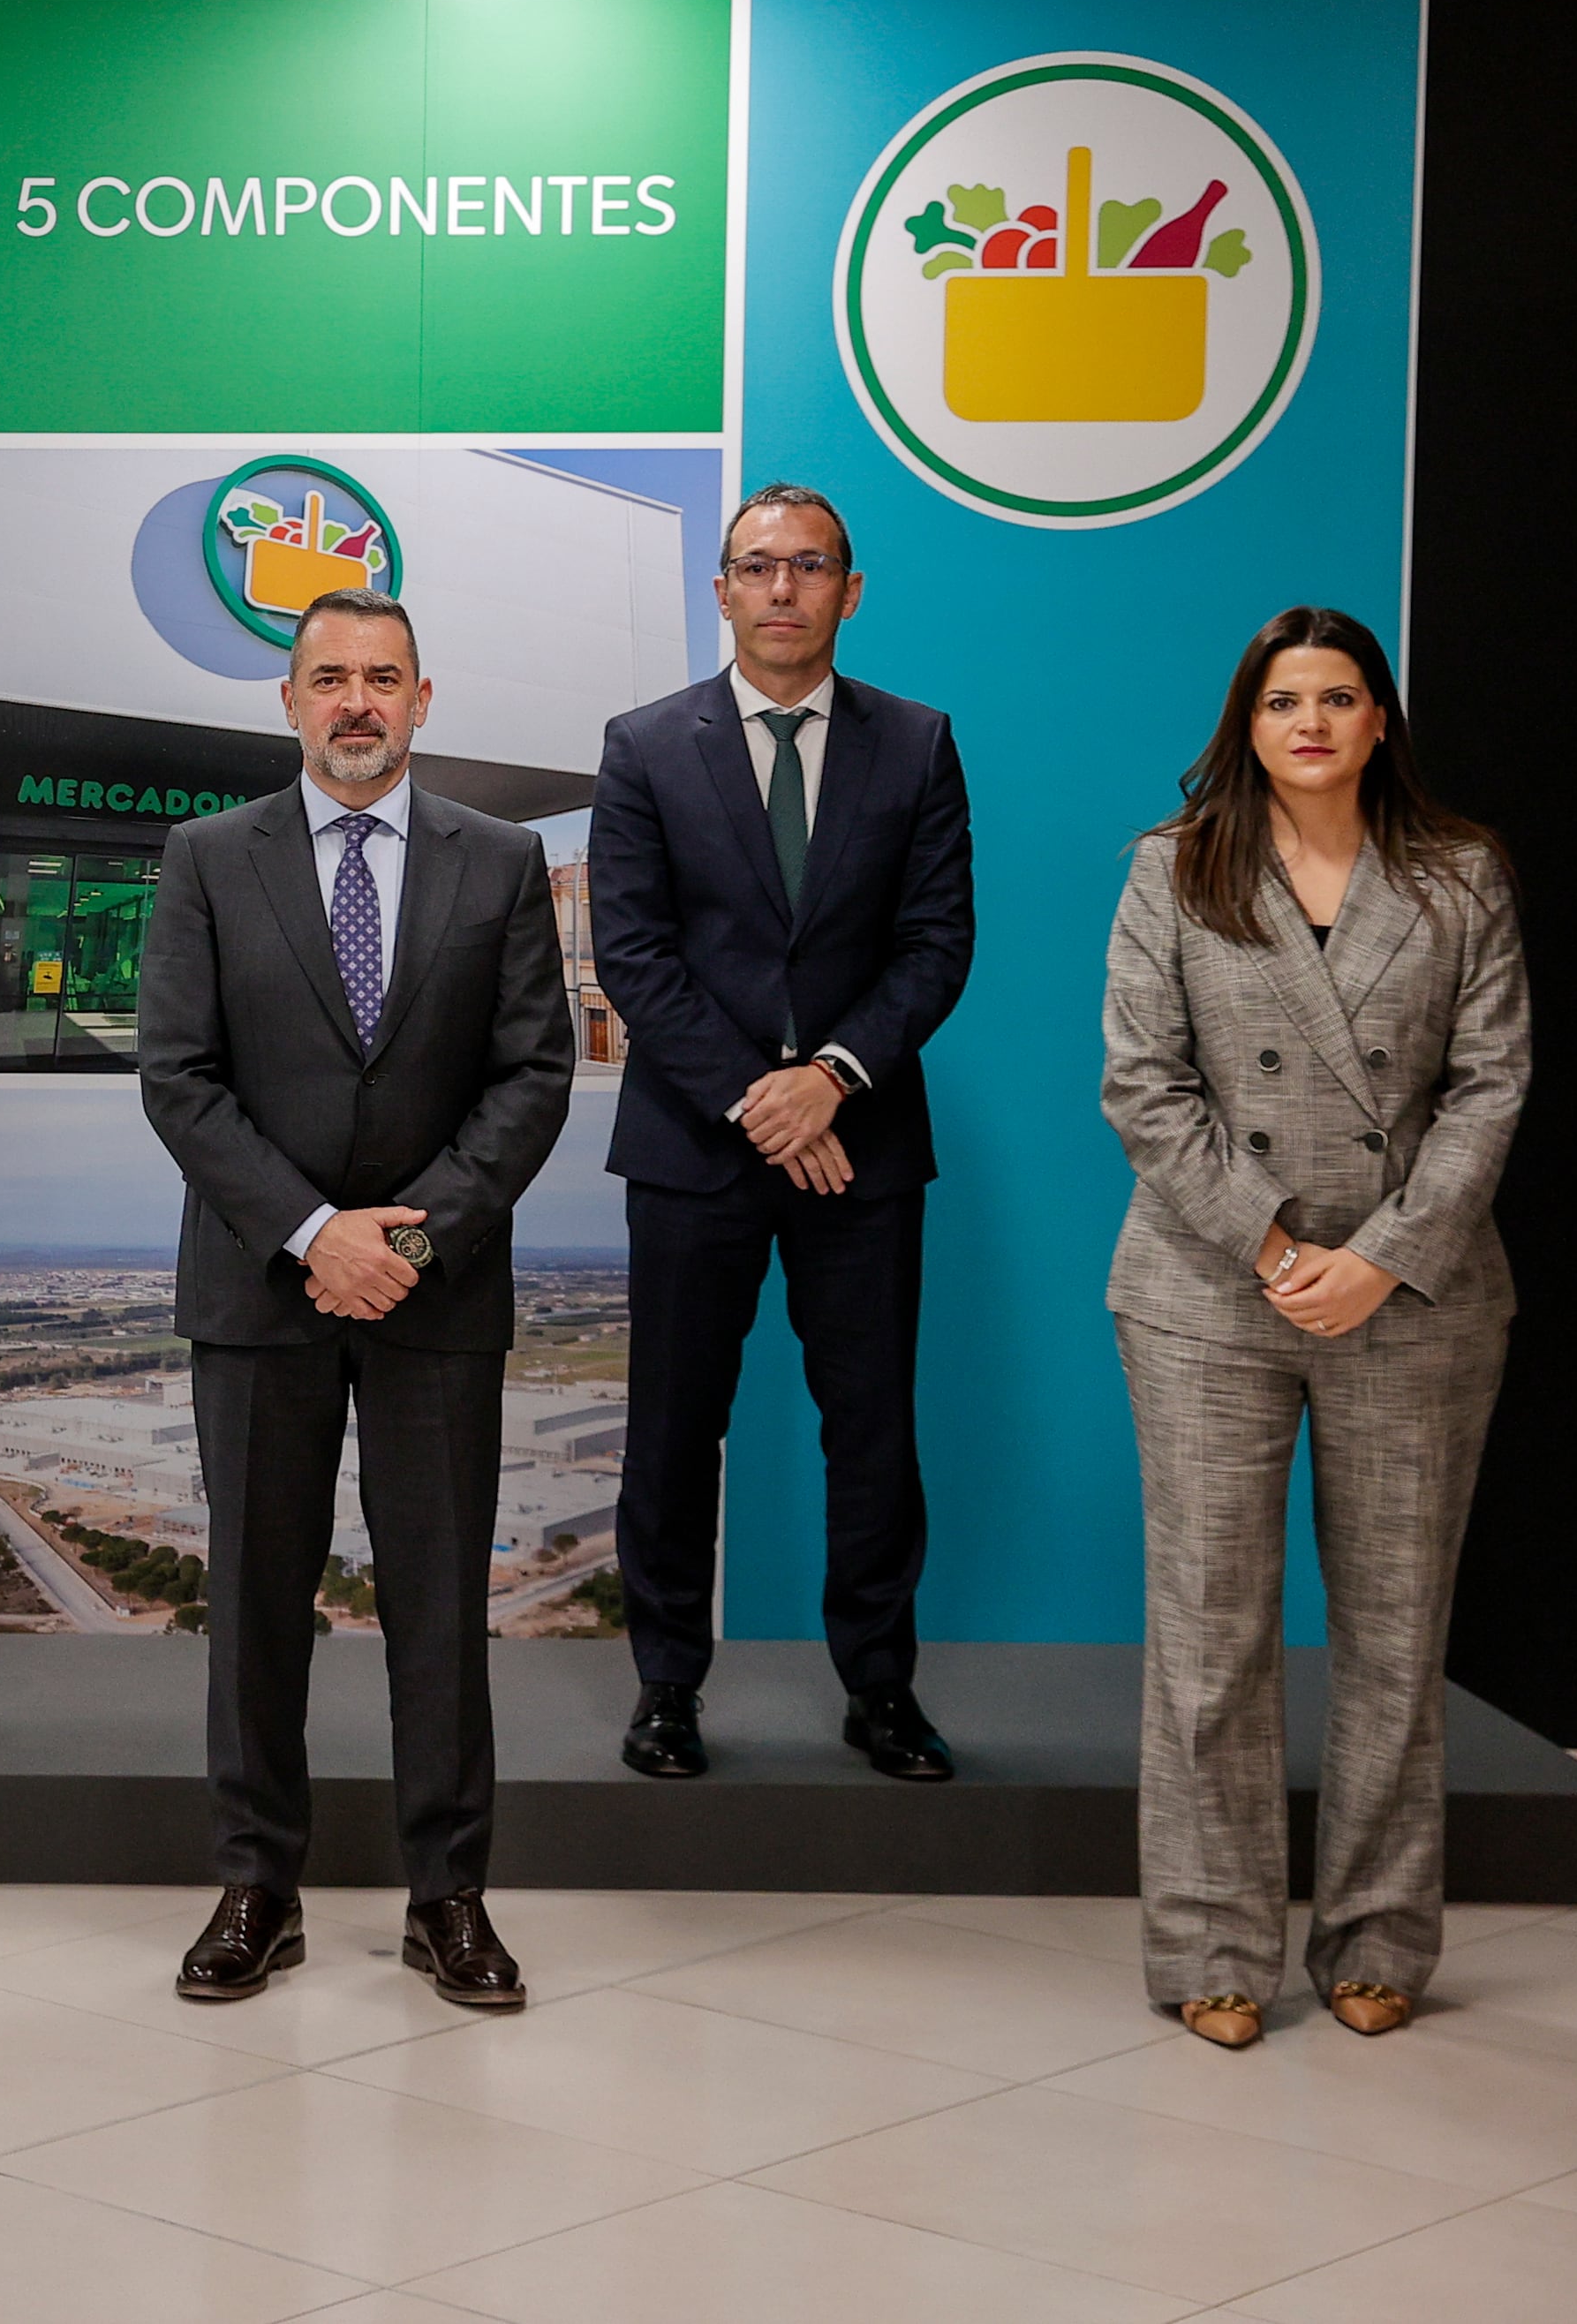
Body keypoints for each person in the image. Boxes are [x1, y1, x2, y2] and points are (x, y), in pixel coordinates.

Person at [134, 587, 573, 2012]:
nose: (357, 701)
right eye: (330, 676)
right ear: (288, 699)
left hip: (435, 1295)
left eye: (382, 676)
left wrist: (413, 1235)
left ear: (424, 698)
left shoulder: (499, 859)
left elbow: (531, 1073)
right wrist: (316, 1231)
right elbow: (178, 1074)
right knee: (257, 1598)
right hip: (263, 1288)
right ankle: (258, 1882)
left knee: (440, 1605)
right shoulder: (206, 857)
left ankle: (448, 1894)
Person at [1102, 607, 1523, 2051]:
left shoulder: (1460, 874)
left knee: (1397, 1640)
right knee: (1212, 1633)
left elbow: (1489, 1089)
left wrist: (1382, 1257)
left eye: (1340, 695)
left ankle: (1377, 1937)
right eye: (1286, 698)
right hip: (1211, 1290)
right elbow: (1143, 1085)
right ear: (1251, 718)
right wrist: (1280, 1240)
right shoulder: (1176, 867)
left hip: (1415, 1299)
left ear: (1379, 717)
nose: (1313, 721)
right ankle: (1215, 1944)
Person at [590, 482, 974, 1784]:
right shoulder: (645, 743)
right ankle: (664, 1689)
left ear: (849, 591)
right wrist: (766, 1097)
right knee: (672, 1424)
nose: (783, 588)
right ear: (721, 590)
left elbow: (936, 943)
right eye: (758, 565)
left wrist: (836, 1076)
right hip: (697, 1145)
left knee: (871, 1428)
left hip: (864, 1147)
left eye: (810, 566)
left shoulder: (918, 743)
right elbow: (631, 951)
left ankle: (882, 1691)